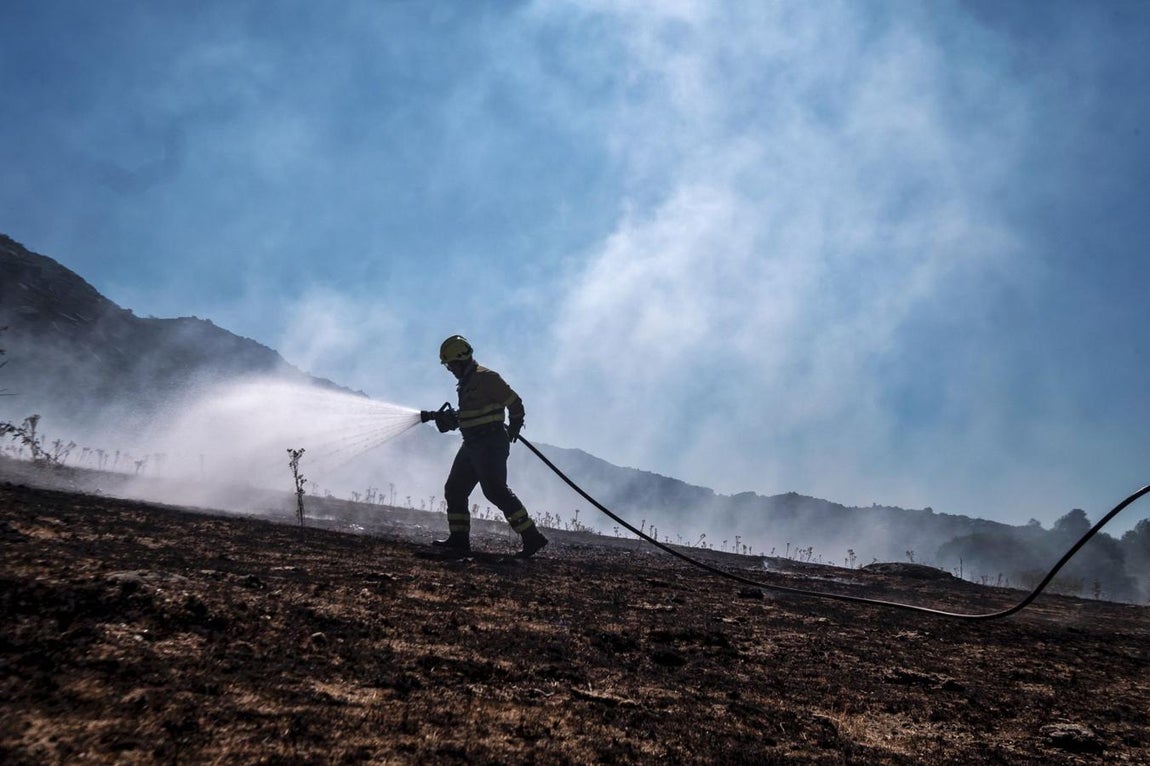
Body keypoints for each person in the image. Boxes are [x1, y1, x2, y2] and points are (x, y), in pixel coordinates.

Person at [420, 335, 548, 558]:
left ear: (462, 359)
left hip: (490, 443)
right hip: (471, 444)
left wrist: (515, 425)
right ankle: (459, 540)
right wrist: (451, 418)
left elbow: (515, 403)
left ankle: (532, 536)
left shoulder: (487, 378)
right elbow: (474, 412)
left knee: (495, 491)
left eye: (451, 364)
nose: (449, 369)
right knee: (455, 489)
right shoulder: (466, 383)